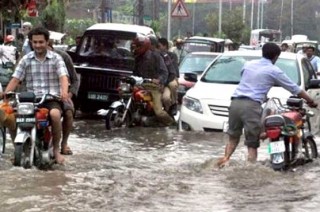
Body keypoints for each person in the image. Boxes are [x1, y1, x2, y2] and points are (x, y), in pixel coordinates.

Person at [216, 42, 318, 168]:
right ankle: (249, 170)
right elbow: (294, 89)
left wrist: (263, 96)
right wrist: (311, 101)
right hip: (252, 106)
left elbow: (248, 81)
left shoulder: (248, 65)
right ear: (276, 56)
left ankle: (224, 160)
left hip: (235, 103)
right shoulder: (274, 70)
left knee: (233, 138)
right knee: (252, 143)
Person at [4, 26, 69, 164]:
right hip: (29, 99)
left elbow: (63, 77)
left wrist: (64, 92)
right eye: (35, 42)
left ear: (47, 42)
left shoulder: (56, 58)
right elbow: (16, 79)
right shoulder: (26, 59)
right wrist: (5, 95)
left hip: (51, 99)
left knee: (55, 115)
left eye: (41, 42)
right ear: (31, 43)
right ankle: (18, 148)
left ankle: (56, 150)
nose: (38, 45)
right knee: (11, 117)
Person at [131, 34, 175, 126]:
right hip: (141, 85)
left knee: (159, 112)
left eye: (138, 46)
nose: (136, 48)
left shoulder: (157, 56)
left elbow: (165, 72)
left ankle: (172, 123)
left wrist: (159, 80)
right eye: (136, 46)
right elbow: (134, 73)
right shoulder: (137, 58)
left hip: (154, 87)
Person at [48, 40, 80, 155]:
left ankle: (64, 143)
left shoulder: (63, 57)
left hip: (61, 93)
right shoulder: (29, 57)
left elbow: (75, 80)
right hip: (39, 94)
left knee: (68, 112)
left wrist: (68, 94)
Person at [158, 37, 179, 115]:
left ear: (165, 46)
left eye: (159, 46)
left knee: (172, 86)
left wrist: (164, 83)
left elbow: (173, 72)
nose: (158, 48)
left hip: (171, 78)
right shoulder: (155, 55)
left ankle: (174, 104)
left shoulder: (171, 56)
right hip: (159, 80)